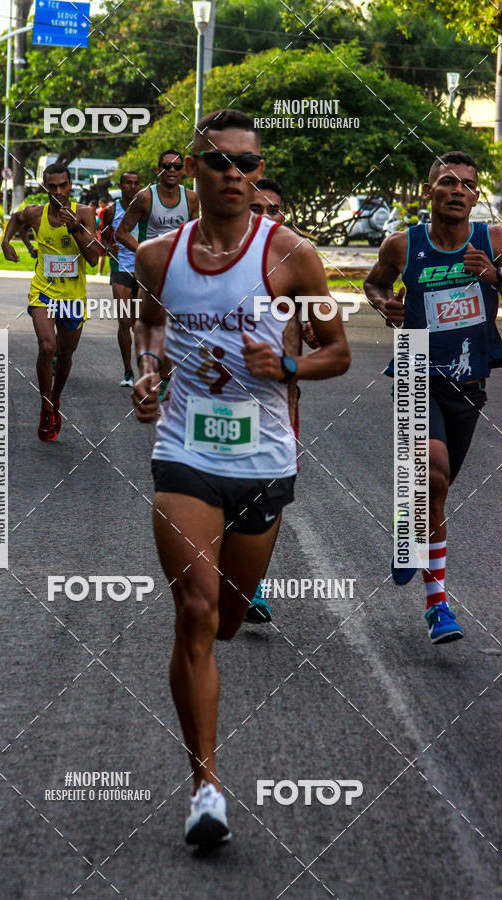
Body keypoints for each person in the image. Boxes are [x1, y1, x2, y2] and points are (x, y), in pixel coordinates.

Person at [131, 108, 350, 847]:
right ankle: (206, 789)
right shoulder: (157, 257)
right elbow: (151, 326)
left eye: (247, 164)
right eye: (219, 161)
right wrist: (149, 371)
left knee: (225, 619)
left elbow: (337, 350)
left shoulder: (291, 256)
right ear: (193, 168)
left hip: (263, 460)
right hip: (185, 452)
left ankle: (207, 770)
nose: (235, 174)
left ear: (259, 174)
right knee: (194, 612)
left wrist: (287, 364)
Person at [364, 150, 502, 644]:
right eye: (447, 181)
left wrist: (494, 277)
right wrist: (386, 304)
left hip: (469, 380)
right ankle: (437, 605)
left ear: (476, 195)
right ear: (429, 192)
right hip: (415, 368)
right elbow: (374, 284)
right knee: (434, 472)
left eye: (467, 183)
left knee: (435, 492)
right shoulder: (403, 244)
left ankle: (409, 524)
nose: (457, 190)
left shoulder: (494, 241)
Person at [245, 178, 318, 624]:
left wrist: (311, 330)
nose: (265, 216)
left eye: (272, 209)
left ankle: (253, 582)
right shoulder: (214, 258)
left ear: (283, 215)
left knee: (269, 493)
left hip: (279, 400)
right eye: (256, 208)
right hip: (222, 397)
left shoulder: (297, 260)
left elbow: (324, 335)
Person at [1, 163, 98, 441]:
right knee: (47, 347)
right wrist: (6, 242)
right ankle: (45, 406)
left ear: (70, 185)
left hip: (73, 296)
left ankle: (55, 399)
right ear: (45, 187)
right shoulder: (36, 214)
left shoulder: (85, 213)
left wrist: (74, 228)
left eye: (63, 185)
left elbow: (93, 259)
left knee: (65, 355)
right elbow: (16, 218)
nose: (58, 191)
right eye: (52, 186)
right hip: (43, 292)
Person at [117, 150, 199, 399]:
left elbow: (196, 234)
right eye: (166, 166)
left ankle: (164, 379)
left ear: (183, 171)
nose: (172, 170)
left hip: (180, 272)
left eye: (176, 167)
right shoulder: (145, 197)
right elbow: (122, 232)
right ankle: (152, 375)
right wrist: (145, 252)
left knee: (175, 328)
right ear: (158, 170)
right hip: (151, 273)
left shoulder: (191, 198)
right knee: (152, 325)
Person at [99, 171, 141, 386]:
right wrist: (109, 248)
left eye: (136, 183)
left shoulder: (146, 208)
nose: (132, 187)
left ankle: (146, 369)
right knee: (124, 321)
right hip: (121, 268)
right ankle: (128, 372)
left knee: (139, 324)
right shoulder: (111, 211)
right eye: (128, 183)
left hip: (144, 270)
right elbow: (103, 239)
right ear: (120, 185)